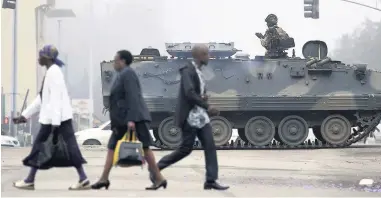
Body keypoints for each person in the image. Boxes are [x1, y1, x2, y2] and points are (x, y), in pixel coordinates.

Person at [149, 44, 229, 190]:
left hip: (200, 116)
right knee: (185, 149)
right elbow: (189, 93)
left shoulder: (197, 71)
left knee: (210, 146)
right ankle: (155, 169)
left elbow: (195, 93)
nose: (208, 57)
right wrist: (207, 106)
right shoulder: (188, 71)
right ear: (199, 56)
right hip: (190, 116)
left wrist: (203, 98)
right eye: (206, 54)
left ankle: (210, 180)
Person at [12, 45, 90, 190]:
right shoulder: (51, 72)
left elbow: (55, 99)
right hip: (58, 119)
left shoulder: (54, 73)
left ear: (47, 58)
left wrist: (55, 124)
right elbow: (42, 99)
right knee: (69, 148)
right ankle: (83, 178)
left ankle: (30, 180)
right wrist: (24, 116)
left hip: (55, 120)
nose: (38, 58)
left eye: (40, 55)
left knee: (40, 147)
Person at [91, 50, 167, 190]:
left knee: (145, 148)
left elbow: (133, 96)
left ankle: (159, 178)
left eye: (116, 60)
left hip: (134, 118)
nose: (114, 63)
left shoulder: (128, 74)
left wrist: (131, 119)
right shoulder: (121, 75)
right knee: (112, 147)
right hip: (123, 119)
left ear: (123, 61)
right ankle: (104, 178)